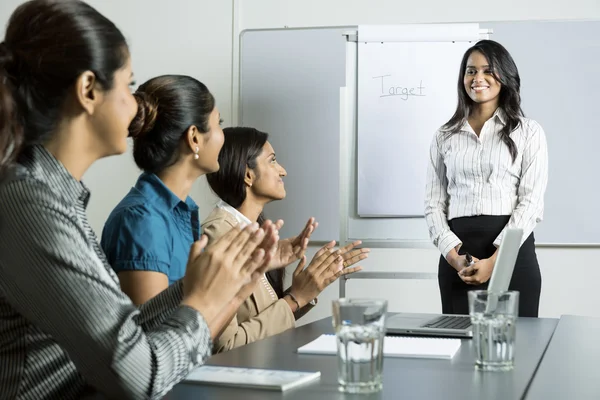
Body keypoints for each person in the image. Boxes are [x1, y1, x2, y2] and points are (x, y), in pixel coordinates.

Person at [0, 1, 280, 398]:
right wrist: (201, 304)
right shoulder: (30, 207)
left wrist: (211, 287)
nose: (136, 106)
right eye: (129, 86)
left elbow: (121, 333)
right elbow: (139, 375)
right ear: (88, 91)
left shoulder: (49, 195)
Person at [101, 75, 316, 306]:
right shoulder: (142, 221)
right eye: (218, 124)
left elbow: (198, 329)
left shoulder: (180, 214)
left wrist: (250, 267)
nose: (223, 137)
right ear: (194, 138)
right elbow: (155, 337)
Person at [203, 127, 369, 352]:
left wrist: (311, 285)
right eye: (272, 161)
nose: (283, 171)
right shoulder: (220, 235)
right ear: (247, 174)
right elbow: (226, 346)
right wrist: (295, 298)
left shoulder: (250, 230)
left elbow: (258, 318)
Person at [424, 40, 548, 317]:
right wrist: (454, 258)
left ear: (503, 76)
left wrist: (496, 262)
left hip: (512, 253)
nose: (478, 78)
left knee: (519, 350)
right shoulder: (444, 136)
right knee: (461, 350)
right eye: (470, 71)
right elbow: (433, 204)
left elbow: (531, 202)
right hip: (459, 258)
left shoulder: (528, 132)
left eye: (487, 70)